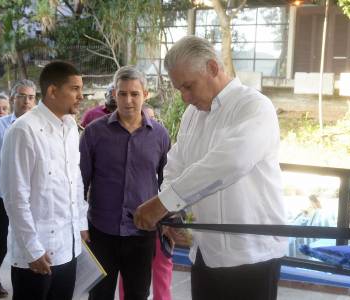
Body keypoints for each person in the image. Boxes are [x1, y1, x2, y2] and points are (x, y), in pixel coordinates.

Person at [134, 36, 287, 300]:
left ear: (213, 69)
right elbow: (176, 166)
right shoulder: (193, 114)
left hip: (251, 255)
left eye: (189, 86)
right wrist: (173, 216)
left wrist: (163, 203)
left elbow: (230, 162)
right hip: (205, 251)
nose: (184, 97)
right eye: (180, 89)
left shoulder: (254, 106)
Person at [0, 61, 89, 300]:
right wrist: (32, 250)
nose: (81, 96)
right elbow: (15, 197)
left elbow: (75, 179)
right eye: (75, 89)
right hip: (36, 254)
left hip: (68, 248)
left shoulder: (70, 127)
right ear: (52, 91)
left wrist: (81, 223)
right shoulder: (24, 131)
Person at [80, 66, 170, 300]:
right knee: (99, 295)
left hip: (142, 234)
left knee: (137, 295)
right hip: (101, 232)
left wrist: (169, 222)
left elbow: (168, 183)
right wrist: (78, 224)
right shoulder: (94, 133)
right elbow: (79, 182)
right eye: (122, 94)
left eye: (134, 94)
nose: (128, 100)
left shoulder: (160, 136)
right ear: (114, 95)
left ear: (145, 95)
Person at [118, 104, 174, 300]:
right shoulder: (122, 142)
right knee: (129, 275)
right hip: (130, 221)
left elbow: (169, 179)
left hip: (158, 219)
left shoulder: (161, 139)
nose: (145, 122)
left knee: (162, 266)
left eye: (150, 118)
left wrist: (169, 216)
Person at [0, 79, 37, 298]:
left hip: (32, 198)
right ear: (12, 99)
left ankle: (31, 279)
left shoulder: (40, 128)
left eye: (31, 97)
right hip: (0, 196)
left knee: (28, 240)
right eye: (21, 96)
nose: (26, 101)